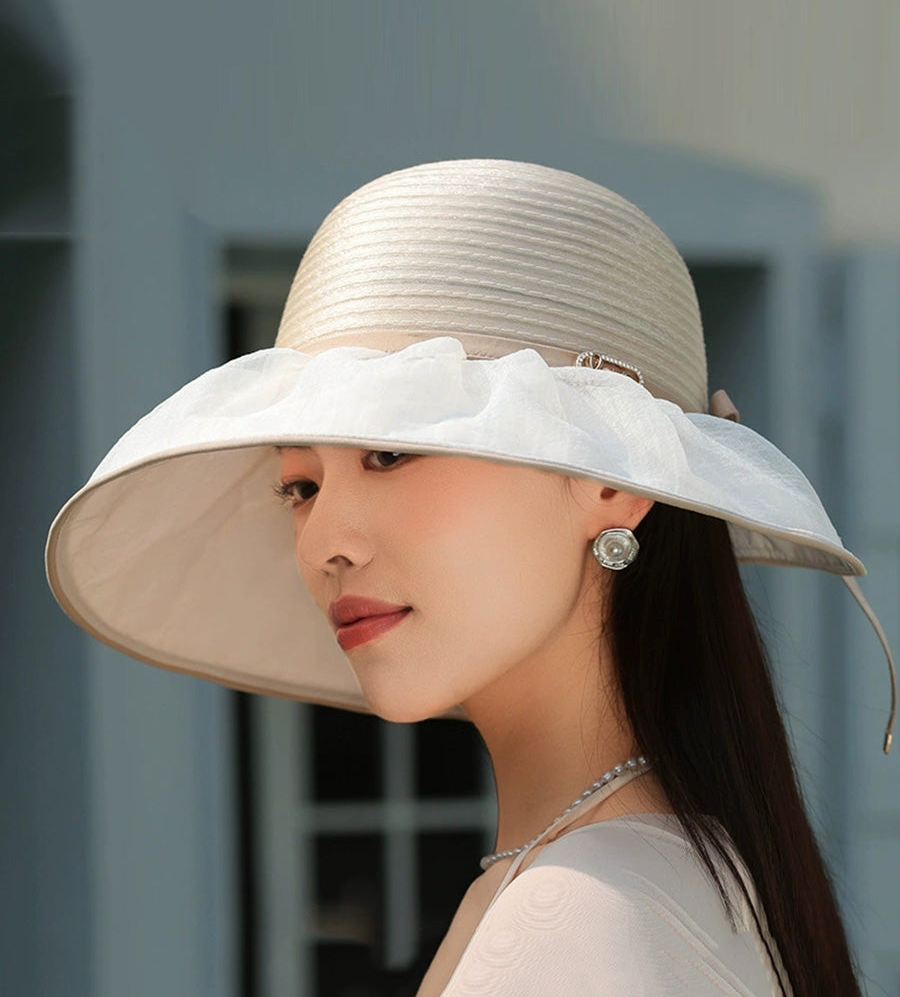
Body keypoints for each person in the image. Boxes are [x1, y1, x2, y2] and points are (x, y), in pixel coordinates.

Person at [47, 159, 895, 996]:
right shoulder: (640, 876)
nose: (325, 544)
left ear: (613, 480)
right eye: (300, 487)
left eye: (390, 453)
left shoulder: (583, 913)